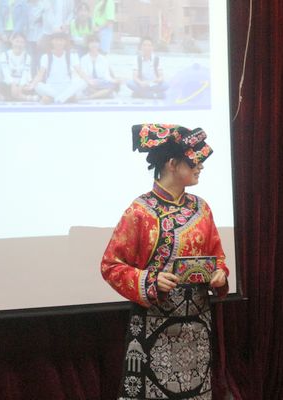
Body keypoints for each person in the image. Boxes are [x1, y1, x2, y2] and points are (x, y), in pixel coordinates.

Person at [101, 123, 229, 400]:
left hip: (197, 327)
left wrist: (219, 273)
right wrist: (150, 280)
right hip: (155, 324)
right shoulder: (140, 212)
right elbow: (111, 265)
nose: (200, 167)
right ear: (172, 163)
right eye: (194, 162)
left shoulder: (202, 208)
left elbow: (217, 256)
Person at [31, 32, 86, 104]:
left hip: (67, 87)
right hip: (51, 88)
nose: (59, 43)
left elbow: (79, 71)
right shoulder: (45, 56)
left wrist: (89, 80)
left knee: (84, 82)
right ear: (52, 41)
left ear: (65, 42)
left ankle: (56, 99)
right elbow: (40, 74)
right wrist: (32, 84)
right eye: (56, 40)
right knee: (37, 85)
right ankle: (64, 98)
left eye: (61, 40)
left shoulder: (71, 55)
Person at [0, 32, 36, 101]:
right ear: (12, 41)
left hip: (22, 85)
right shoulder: (5, 55)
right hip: (10, 84)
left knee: (33, 88)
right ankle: (23, 97)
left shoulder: (27, 57)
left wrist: (20, 87)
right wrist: (13, 85)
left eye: (22, 42)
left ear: (25, 44)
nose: (19, 44)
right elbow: (6, 73)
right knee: (0, 85)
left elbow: (25, 74)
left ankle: (11, 97)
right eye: (17, 41)